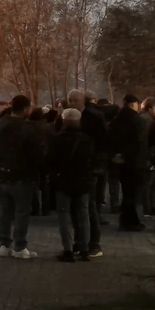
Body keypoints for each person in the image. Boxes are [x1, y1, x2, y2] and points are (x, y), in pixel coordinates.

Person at [0, 95, 43, 258]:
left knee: (3, 212)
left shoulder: (0, 124)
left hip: (1, 173)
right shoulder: (28, 128)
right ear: (25, 109)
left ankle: (4, 244)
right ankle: (19, 246)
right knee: (21, 212)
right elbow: (35, 153)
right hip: (22, 176)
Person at [48, 108, 95, 262]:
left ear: (63, 121)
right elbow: (91, 160)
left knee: (64, 216)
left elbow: (51, 161)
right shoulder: (86, 139)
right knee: (83, 215)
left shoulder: (57, 139)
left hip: (63, 182)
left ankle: (68, 249)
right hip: (83, 181)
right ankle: (84, 248)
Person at [66, 90, 108, 256]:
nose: (72, 103)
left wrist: (98, 166)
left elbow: (103, 143)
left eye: (75, 100)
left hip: (89, 168)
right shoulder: (67, 116)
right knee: (76, 208)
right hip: (73, 169)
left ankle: (94, 243)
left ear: (83, 101)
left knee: (89, 207)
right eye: (70, 100)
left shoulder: (93, 117)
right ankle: (80, 241)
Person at [109, 95, 149, 231]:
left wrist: (117, 154)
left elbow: (111, 138)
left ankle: (125, 219)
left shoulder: (117, 120)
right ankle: (130, 221)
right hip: (135, 161)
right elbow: (140, 142)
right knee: (132, 193)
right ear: (134, 104)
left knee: (126, 191)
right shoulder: (138, 120)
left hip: (120, 160)